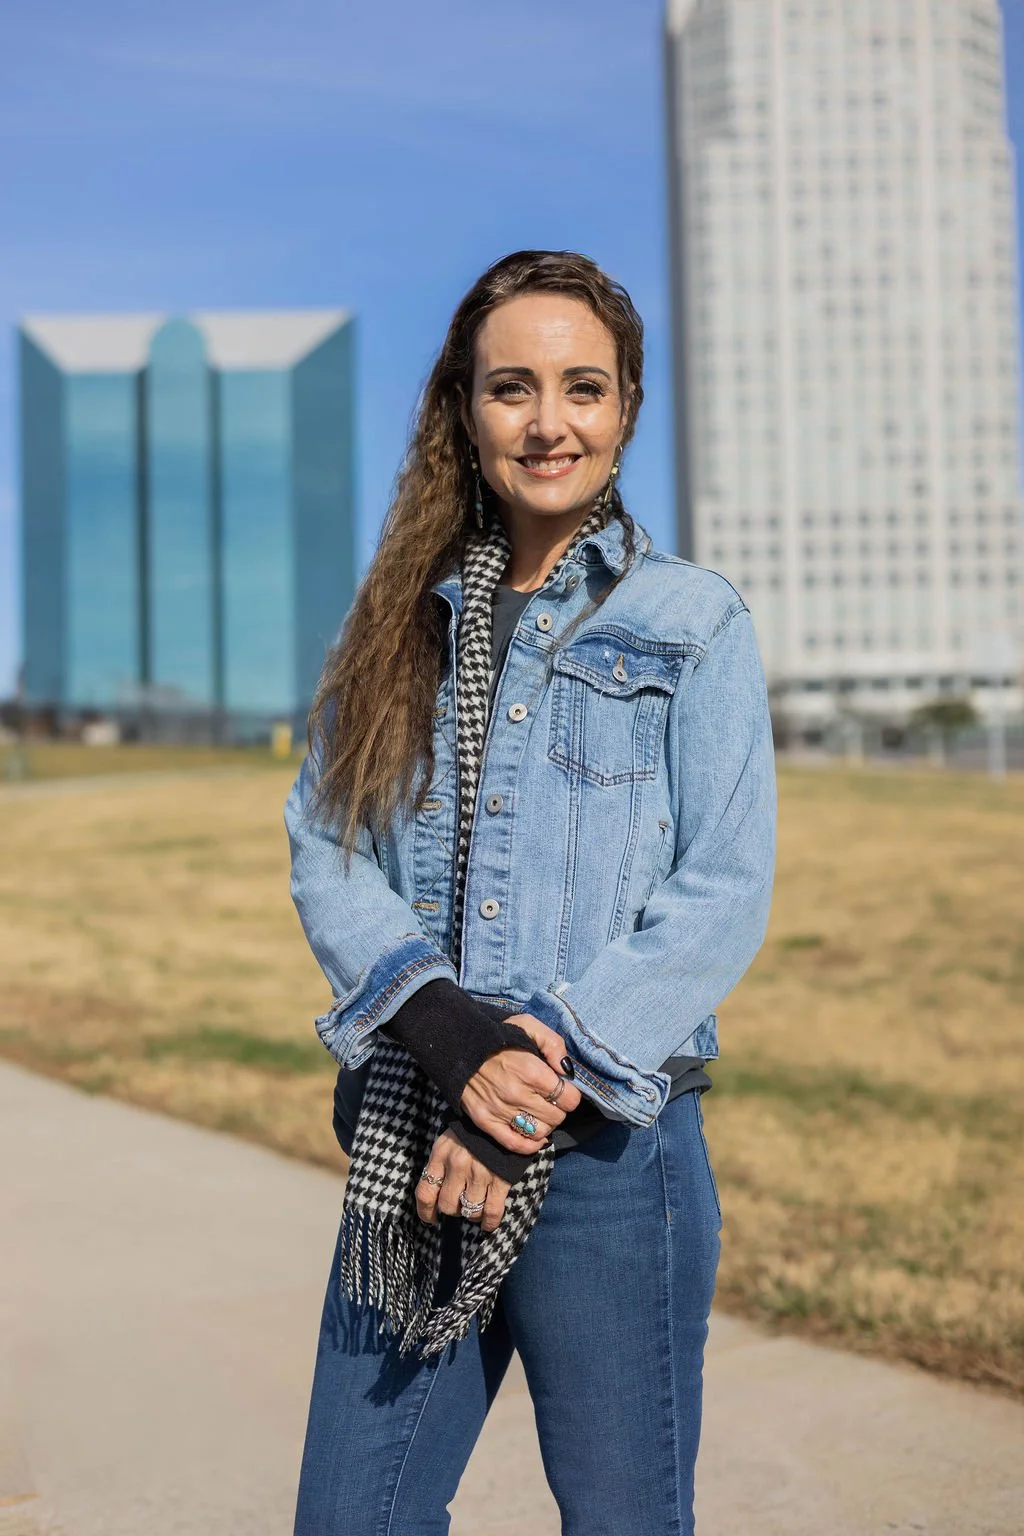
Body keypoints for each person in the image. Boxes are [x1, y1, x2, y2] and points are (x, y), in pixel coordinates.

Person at [285, 249, 777, 1535]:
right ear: (464, 408)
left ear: (624, 412)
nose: (547, 422)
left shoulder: (693, 621)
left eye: (583, 388)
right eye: (512, 388)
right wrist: (449, 1038)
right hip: (413, 1133)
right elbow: (327, 842)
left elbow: (720, 886)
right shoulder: (394, 623)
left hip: (612, 1152)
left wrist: (526, 1079)